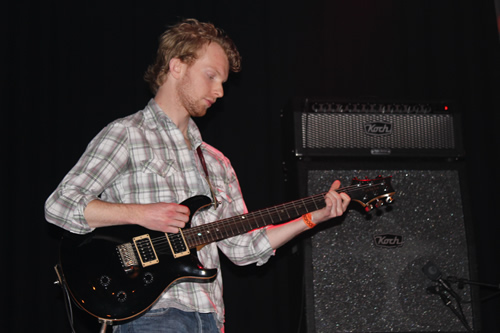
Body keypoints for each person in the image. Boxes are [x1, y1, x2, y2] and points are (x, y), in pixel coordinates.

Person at [45, 18, 351, 332]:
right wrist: (142, 214)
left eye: (223, 82)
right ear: (176, 66)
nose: (219, 91)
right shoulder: (127, 134)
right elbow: (60, 206)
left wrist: (314, 217)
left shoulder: (216, 162)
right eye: (211, 76)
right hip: (151, 314)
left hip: (210, 317)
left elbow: (244, 249)